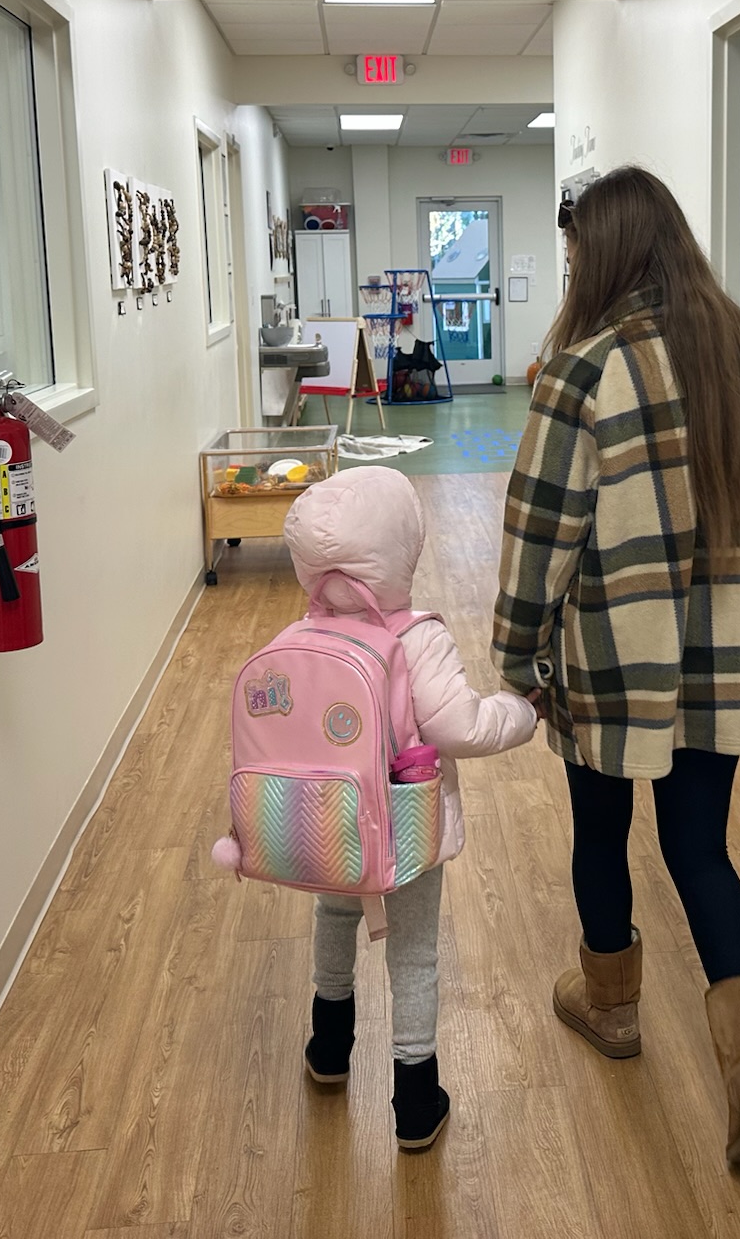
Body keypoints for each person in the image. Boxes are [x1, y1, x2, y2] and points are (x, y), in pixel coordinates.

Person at [493, 166, 740, 1164]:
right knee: (700, 848)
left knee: (600, 827)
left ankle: (611, 1005)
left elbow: (541, 530)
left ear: (608, 252)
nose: (573, 269)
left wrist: (516, 655)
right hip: (720, 658)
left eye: (578, 252)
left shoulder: (584, 368)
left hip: (614, 658)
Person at [280, 467, 538, 1151]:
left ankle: (329, 1047)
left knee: (334, 915)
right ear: (402, 551)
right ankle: (416, 1097)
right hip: (405, 824)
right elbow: (460, 727)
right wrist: (520, 712)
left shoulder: (304, 630)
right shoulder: (415, 637)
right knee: (416, 952)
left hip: (327, 824)